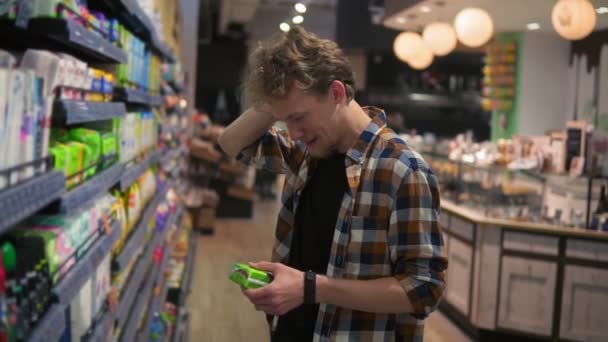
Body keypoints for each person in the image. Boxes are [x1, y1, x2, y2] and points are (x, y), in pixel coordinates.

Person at [218, 27, 447, 342]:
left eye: (299, 117)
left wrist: (311, 288)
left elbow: (424, 289)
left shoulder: (402, 170)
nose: (294, 132)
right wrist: (274, 101)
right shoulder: (306, 153)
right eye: (285, 121)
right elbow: (231, 143)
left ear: (337, 93)